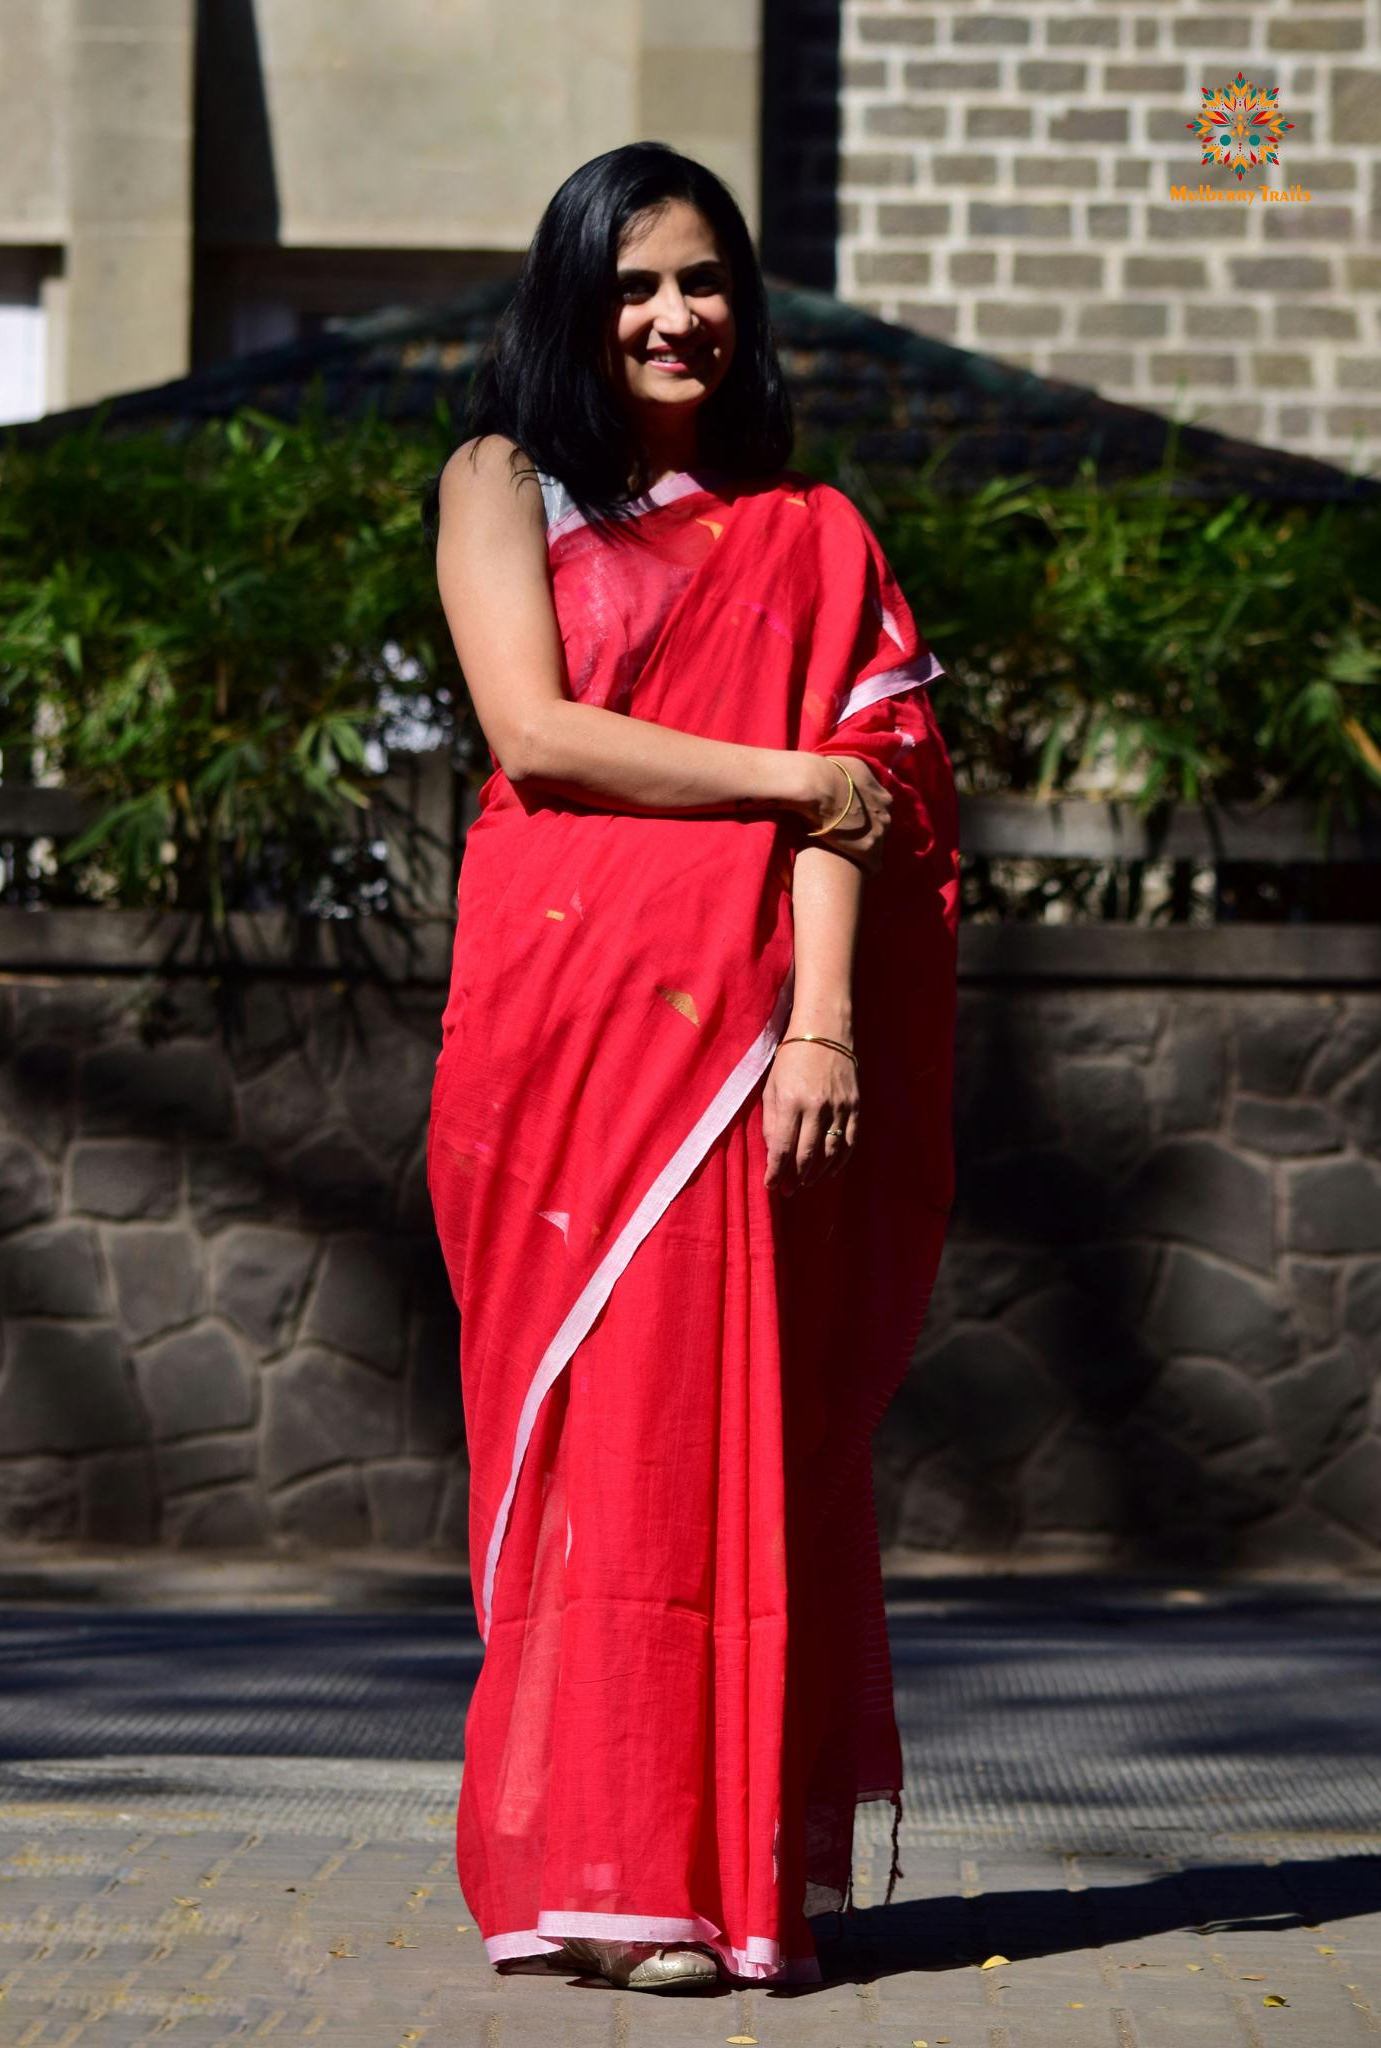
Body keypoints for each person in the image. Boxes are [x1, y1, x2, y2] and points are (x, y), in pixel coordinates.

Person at [426, 142, 958, 1994]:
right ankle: (593, 1858)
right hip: (557, 1043)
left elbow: (867, 807)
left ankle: (711, 1871)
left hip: (742, 1045)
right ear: (576, 297)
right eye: (636, 281)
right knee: (584, 1442)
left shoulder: (809, 530)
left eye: (705, 279)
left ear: (747, 300)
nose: (673, 315)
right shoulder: (505, 478)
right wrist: (788, 775)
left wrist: (822, 1025)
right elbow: (535, 733)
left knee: (720, 1430)